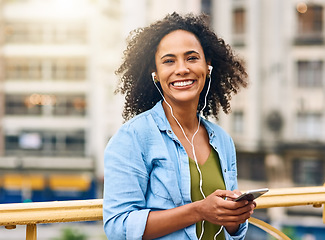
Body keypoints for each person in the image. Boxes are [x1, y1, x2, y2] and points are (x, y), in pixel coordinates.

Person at [103, 12, 255, 240]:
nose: (182, 69)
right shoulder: (132, 138)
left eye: (192, 58)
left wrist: (234, 217)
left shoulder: (222, 140)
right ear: (155, 74)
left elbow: (229, 230)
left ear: (208, 66)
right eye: (169, 61)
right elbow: (118, 226)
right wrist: (198, 210)